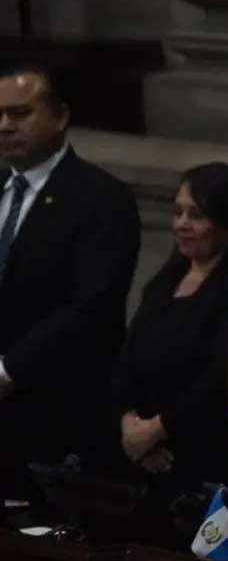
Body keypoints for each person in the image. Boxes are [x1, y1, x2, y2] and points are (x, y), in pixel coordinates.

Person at [0, 66, 141, 498]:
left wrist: (9, 370)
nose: (4, 125)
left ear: (61, 117)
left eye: (19, 113)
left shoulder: (101, 198)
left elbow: (91, 305)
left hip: (56, 413)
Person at [111, 162, 228, 534]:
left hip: (202, 460)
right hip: (141, 458)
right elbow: (128, 355)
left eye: (196, 215)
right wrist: (130, 424)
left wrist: (158, 429)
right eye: (178, 212)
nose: (181, 224)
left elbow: (221, 374)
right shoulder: (168, 278)